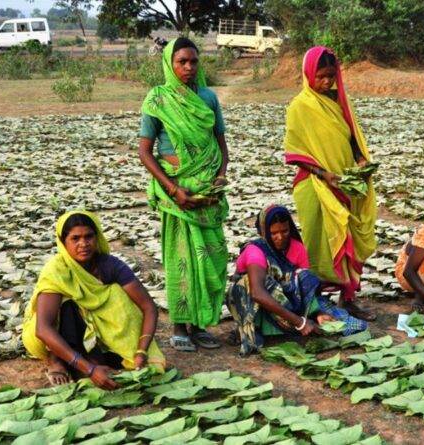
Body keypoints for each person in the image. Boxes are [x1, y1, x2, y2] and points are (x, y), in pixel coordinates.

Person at [137, 37, 229, 352]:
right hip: (177, 191)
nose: (188, 67)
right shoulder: (158, 99)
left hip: (207, 190)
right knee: (181, 259)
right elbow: (145, 152)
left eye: (193, 61)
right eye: (181, 62)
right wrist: (173, 189)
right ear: (170, 64)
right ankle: (179, 324)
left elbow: (221, 144)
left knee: (212, 257)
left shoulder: (208, 97)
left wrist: (219, 177)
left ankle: (200, 324)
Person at [283, 46, 378, 321]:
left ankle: (348, 298)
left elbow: (350, 137)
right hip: (315, 185)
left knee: (348, 239)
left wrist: (360, 161)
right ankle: (317, 301)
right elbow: (295, 153)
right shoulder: (300, 106)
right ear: (309, 74)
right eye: (321, 76)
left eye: (330, 76)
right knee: (320, 243)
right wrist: (324, 174)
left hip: (345, 182)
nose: (326, 82)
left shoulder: (339, 101)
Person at [21, 210, 165, 387]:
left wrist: (142, 350)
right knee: (67, 302)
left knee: (116, 294)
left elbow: (148, 307)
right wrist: (89, 369)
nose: (83, 244)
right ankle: (57, 359)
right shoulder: (56, 271)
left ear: (97, 238)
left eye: (89, 236)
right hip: (54, 333)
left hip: (93, 328)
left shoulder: (110, 265)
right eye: (75, 238)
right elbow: (43, 329)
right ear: (63, 242)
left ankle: (97, 356)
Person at [226, 205, 368, 357]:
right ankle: (254, 328)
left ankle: (301, 321)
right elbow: (257, 293)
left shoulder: (297, 248)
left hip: (286, 302)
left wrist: (317, 313)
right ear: (264, 231)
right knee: (259, 283)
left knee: (307, 277)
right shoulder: (256, 251)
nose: (280, 237)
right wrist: (299, 322)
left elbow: (306, 287)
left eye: (284, 231)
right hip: (254, 304)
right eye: (274, 233)